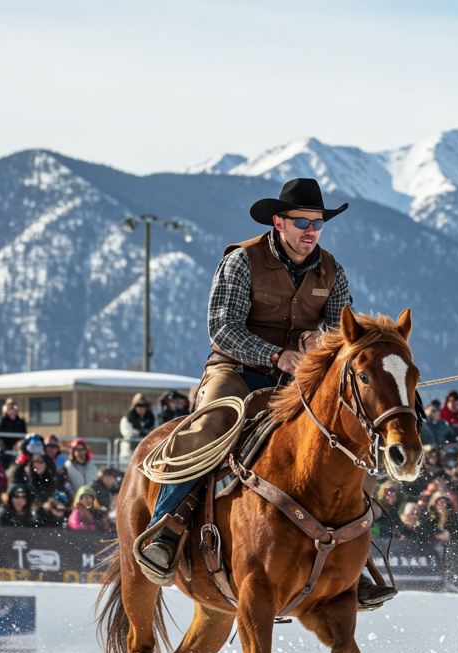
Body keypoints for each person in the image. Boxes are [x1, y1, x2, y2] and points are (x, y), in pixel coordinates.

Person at [134, 178, 385, 597]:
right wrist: (276, 355)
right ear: (278, 222)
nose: (310, 231)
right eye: (301, 221)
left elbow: (345, 331)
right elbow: (222, 329)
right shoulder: (241, 261)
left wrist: (318, 339)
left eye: (317, 223)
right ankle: (167, 527)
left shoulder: (332, 270)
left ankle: (349, 559)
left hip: (299, 378)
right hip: (236, 370)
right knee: (209, 428)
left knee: (353, 443)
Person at [119, 393, 156, 458]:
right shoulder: (127, 419)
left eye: (144, 406)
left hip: (147, 453)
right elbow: (127, 433)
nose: (142, 409)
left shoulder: (152, 419)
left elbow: (156, 432)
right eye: (139, 406)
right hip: (129, 453)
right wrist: (140, 434)